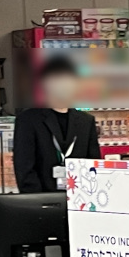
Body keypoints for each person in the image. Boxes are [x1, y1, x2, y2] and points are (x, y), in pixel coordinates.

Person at [13, 55, 101, 193]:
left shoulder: (86, 121)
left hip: (79, 198)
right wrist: (39, 201)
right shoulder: (28, 120)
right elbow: (24, 168)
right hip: (42, 199)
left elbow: (93, 165)